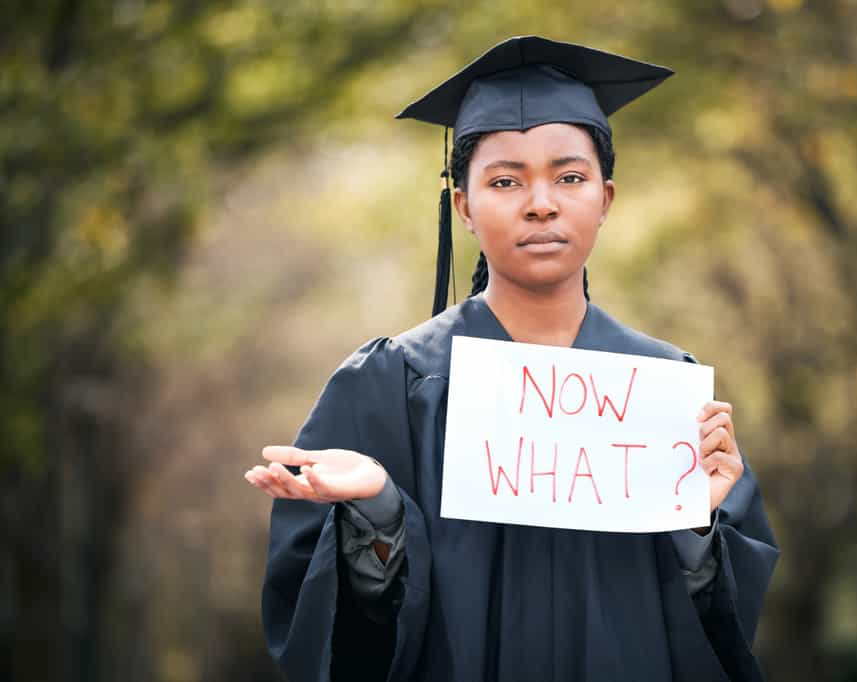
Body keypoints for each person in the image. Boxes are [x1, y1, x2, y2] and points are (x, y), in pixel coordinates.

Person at [245, 36, 779, 682]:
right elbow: (331, 639)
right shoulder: (390, 386)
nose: (541, 203)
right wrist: (381, 514)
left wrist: (697, 524)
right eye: (505, 181)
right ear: (464, 207)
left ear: (605, 199)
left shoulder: (666, 399)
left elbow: (723, 632)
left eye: (569, 176)